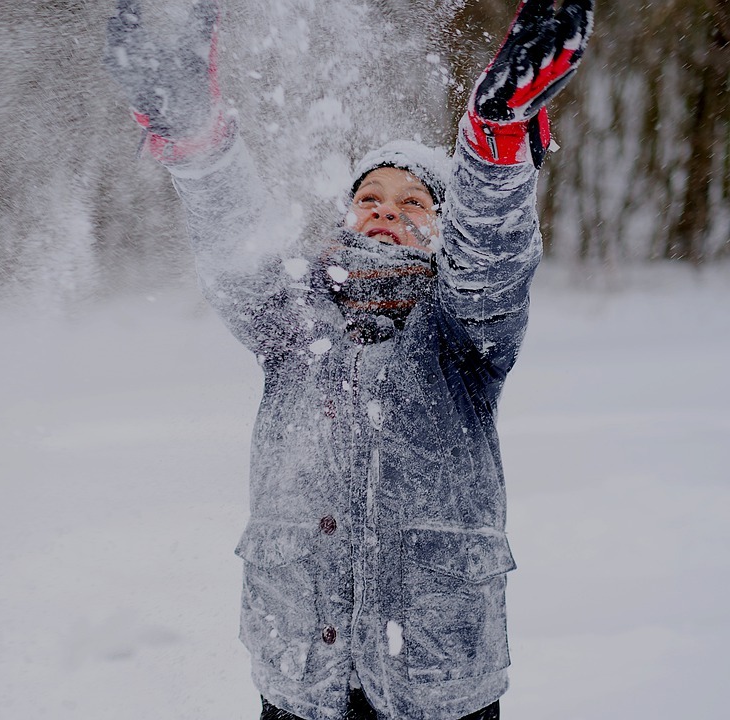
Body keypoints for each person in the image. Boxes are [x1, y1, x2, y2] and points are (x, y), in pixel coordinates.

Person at [105, 1, 593, 719]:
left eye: (413, 201)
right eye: (368, 196)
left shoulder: (462, 330)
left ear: (444, 227)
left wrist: (493, 142)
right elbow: (233, 249)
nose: (385, 209)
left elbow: (492, 260)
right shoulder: (294, 320)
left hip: (436, 678)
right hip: (304, 674)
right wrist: (199, 144)